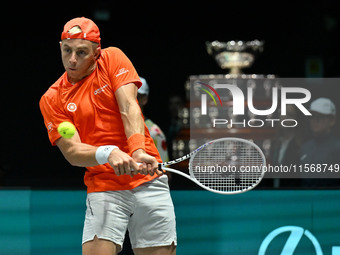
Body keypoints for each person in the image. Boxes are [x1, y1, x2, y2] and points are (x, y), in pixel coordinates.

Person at [39, 17, 176, 255]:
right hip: (104, 187)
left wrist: (138, 150)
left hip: (148, 181)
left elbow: (129, 106)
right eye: (67, 50)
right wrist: (108, 152)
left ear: (96, 53)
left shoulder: (112, 58)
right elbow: (72, 152)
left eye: (81, 52)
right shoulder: (52, 98)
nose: (72, 59)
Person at [299, 97, 340, 188]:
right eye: (311, 117)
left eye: (319, 117)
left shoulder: (337, 148)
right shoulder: (305, 148)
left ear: (332, 120)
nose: (314, 121)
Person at [137, 77, 169, 163]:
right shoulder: (114, 127)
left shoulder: (155, 133)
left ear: (144, 99)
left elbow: (164, 171)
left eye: (136, 96)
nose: (130, 99)